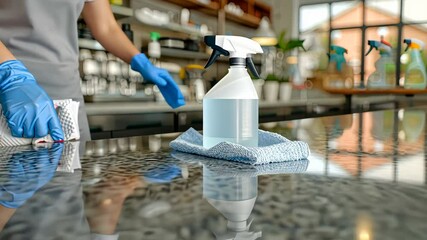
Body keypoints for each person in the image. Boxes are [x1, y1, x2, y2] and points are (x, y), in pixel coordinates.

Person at [0, 0, 186, 143]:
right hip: (9, 88)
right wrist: (9, 74)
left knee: (70, 184)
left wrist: (140, 61)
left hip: (67, 91)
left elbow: (106, 27)